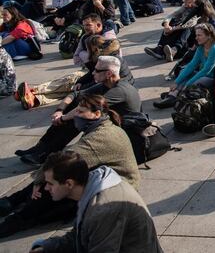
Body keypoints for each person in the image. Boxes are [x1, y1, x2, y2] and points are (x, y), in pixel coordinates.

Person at [0, 94, 142, 239]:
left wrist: (39, 180)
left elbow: (61, 162)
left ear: (97, 114)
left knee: (56, 181)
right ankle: (13, 202)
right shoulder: (104, 125)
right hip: (110, 182)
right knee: (50, 179)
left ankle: (17, 219)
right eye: (76, 111)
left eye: (80, 112)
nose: (76, 115)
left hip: (115, 194)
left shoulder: (99, 137)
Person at [29, 151, 161, 252]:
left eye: (50, 183)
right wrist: (46, 247)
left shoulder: (102, 210)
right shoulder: (91, 189)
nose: (46, 188)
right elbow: (79, 236)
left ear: (69, 183)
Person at [153, 23, 215, 108]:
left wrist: (188, 84)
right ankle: (173, 96)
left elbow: (206, 71)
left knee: (198, 81)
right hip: (207, 75)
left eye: (199, 35)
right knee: (184, 71)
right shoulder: (201, 47)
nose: (196, 38)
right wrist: (176, 82)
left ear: (209, 36)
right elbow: (191, 65)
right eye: (196, 35)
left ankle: (176, 95)